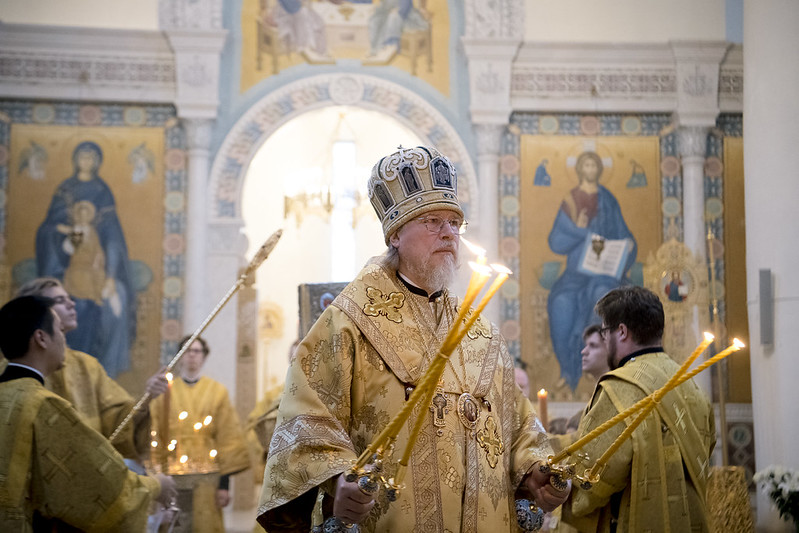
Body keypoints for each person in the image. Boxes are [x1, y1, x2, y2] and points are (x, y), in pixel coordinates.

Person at [257, 145, 570, 532]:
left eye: (455, 223)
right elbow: (307, 416)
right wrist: (339, 478)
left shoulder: (482, 334)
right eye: (433, 220)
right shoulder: (349, 321)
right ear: (395, 235)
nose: (448, 232)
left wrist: (532, 469)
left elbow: (519, 422)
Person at [0, 295, 176, 531]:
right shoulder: (43, 406)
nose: (64, 339)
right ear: (41, 338)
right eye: (60, 331)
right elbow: (98, 486)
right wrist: (157, 485)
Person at [562, 286, 716, 533]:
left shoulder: (620, 388)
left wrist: (563, 496)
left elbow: (595, 477)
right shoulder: (690, 385)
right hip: (689, 522)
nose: (604, 338)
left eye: (604, 332)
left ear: (621, 331)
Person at [2, 277, 168, 461]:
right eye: (59, 300)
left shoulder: (87, 366)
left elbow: (116, 423)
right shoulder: (10, 373)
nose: (71, 304)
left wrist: (146, 400)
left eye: (68, 298)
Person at [35, 141, 136, 378]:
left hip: (98, 272)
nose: (87, 161)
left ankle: (108, 371)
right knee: (69, 303)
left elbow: (113, 239)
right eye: (83, 156)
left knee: (117, 300)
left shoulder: (103, 191)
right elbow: (47, 230)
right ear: (75, 159)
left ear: (98, 161)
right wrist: (62, 232)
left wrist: (110, 276)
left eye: (92, 157)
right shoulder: (65, 190)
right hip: (63, 269)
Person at [547, 151, 637, 391]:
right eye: (585, 165)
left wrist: (628, 243)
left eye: (592, 165)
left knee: (602, 295)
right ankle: (569, 370)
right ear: (579, 169)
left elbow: (623, 233)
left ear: (598, 169)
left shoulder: (608, 200)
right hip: (575, 275)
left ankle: (602, 369)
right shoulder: (571, 200)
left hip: (605, 274)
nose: (589, 169)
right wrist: (580, 230)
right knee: (560, 303)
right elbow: (556, 241)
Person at [149, 335, 250, 533]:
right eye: (187, 350)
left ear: (203, 356)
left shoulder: (217, 391)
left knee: (205, 526)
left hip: (207, 477)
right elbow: (156, 435)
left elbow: (227, 438)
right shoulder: (165, 393)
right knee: (175, 526)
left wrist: (224, 485)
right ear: (180, 356)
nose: (192, 356)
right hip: (172, 476)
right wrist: (157, 477)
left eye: (196, 351)